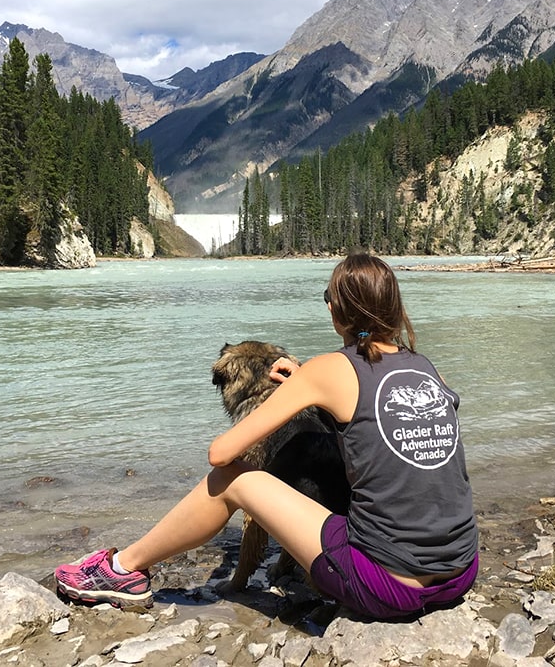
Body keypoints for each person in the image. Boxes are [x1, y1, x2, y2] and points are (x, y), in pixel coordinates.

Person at [55, 252, 478, 619]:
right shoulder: (427, 369)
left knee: (232, 479)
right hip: (460, 573)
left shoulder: (327, 369)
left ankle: (121, 569)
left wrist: (300, 386)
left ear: (335, 313)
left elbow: (221, 453)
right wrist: (307, 385)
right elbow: (376, 426)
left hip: (391, 587)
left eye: (328, 299)